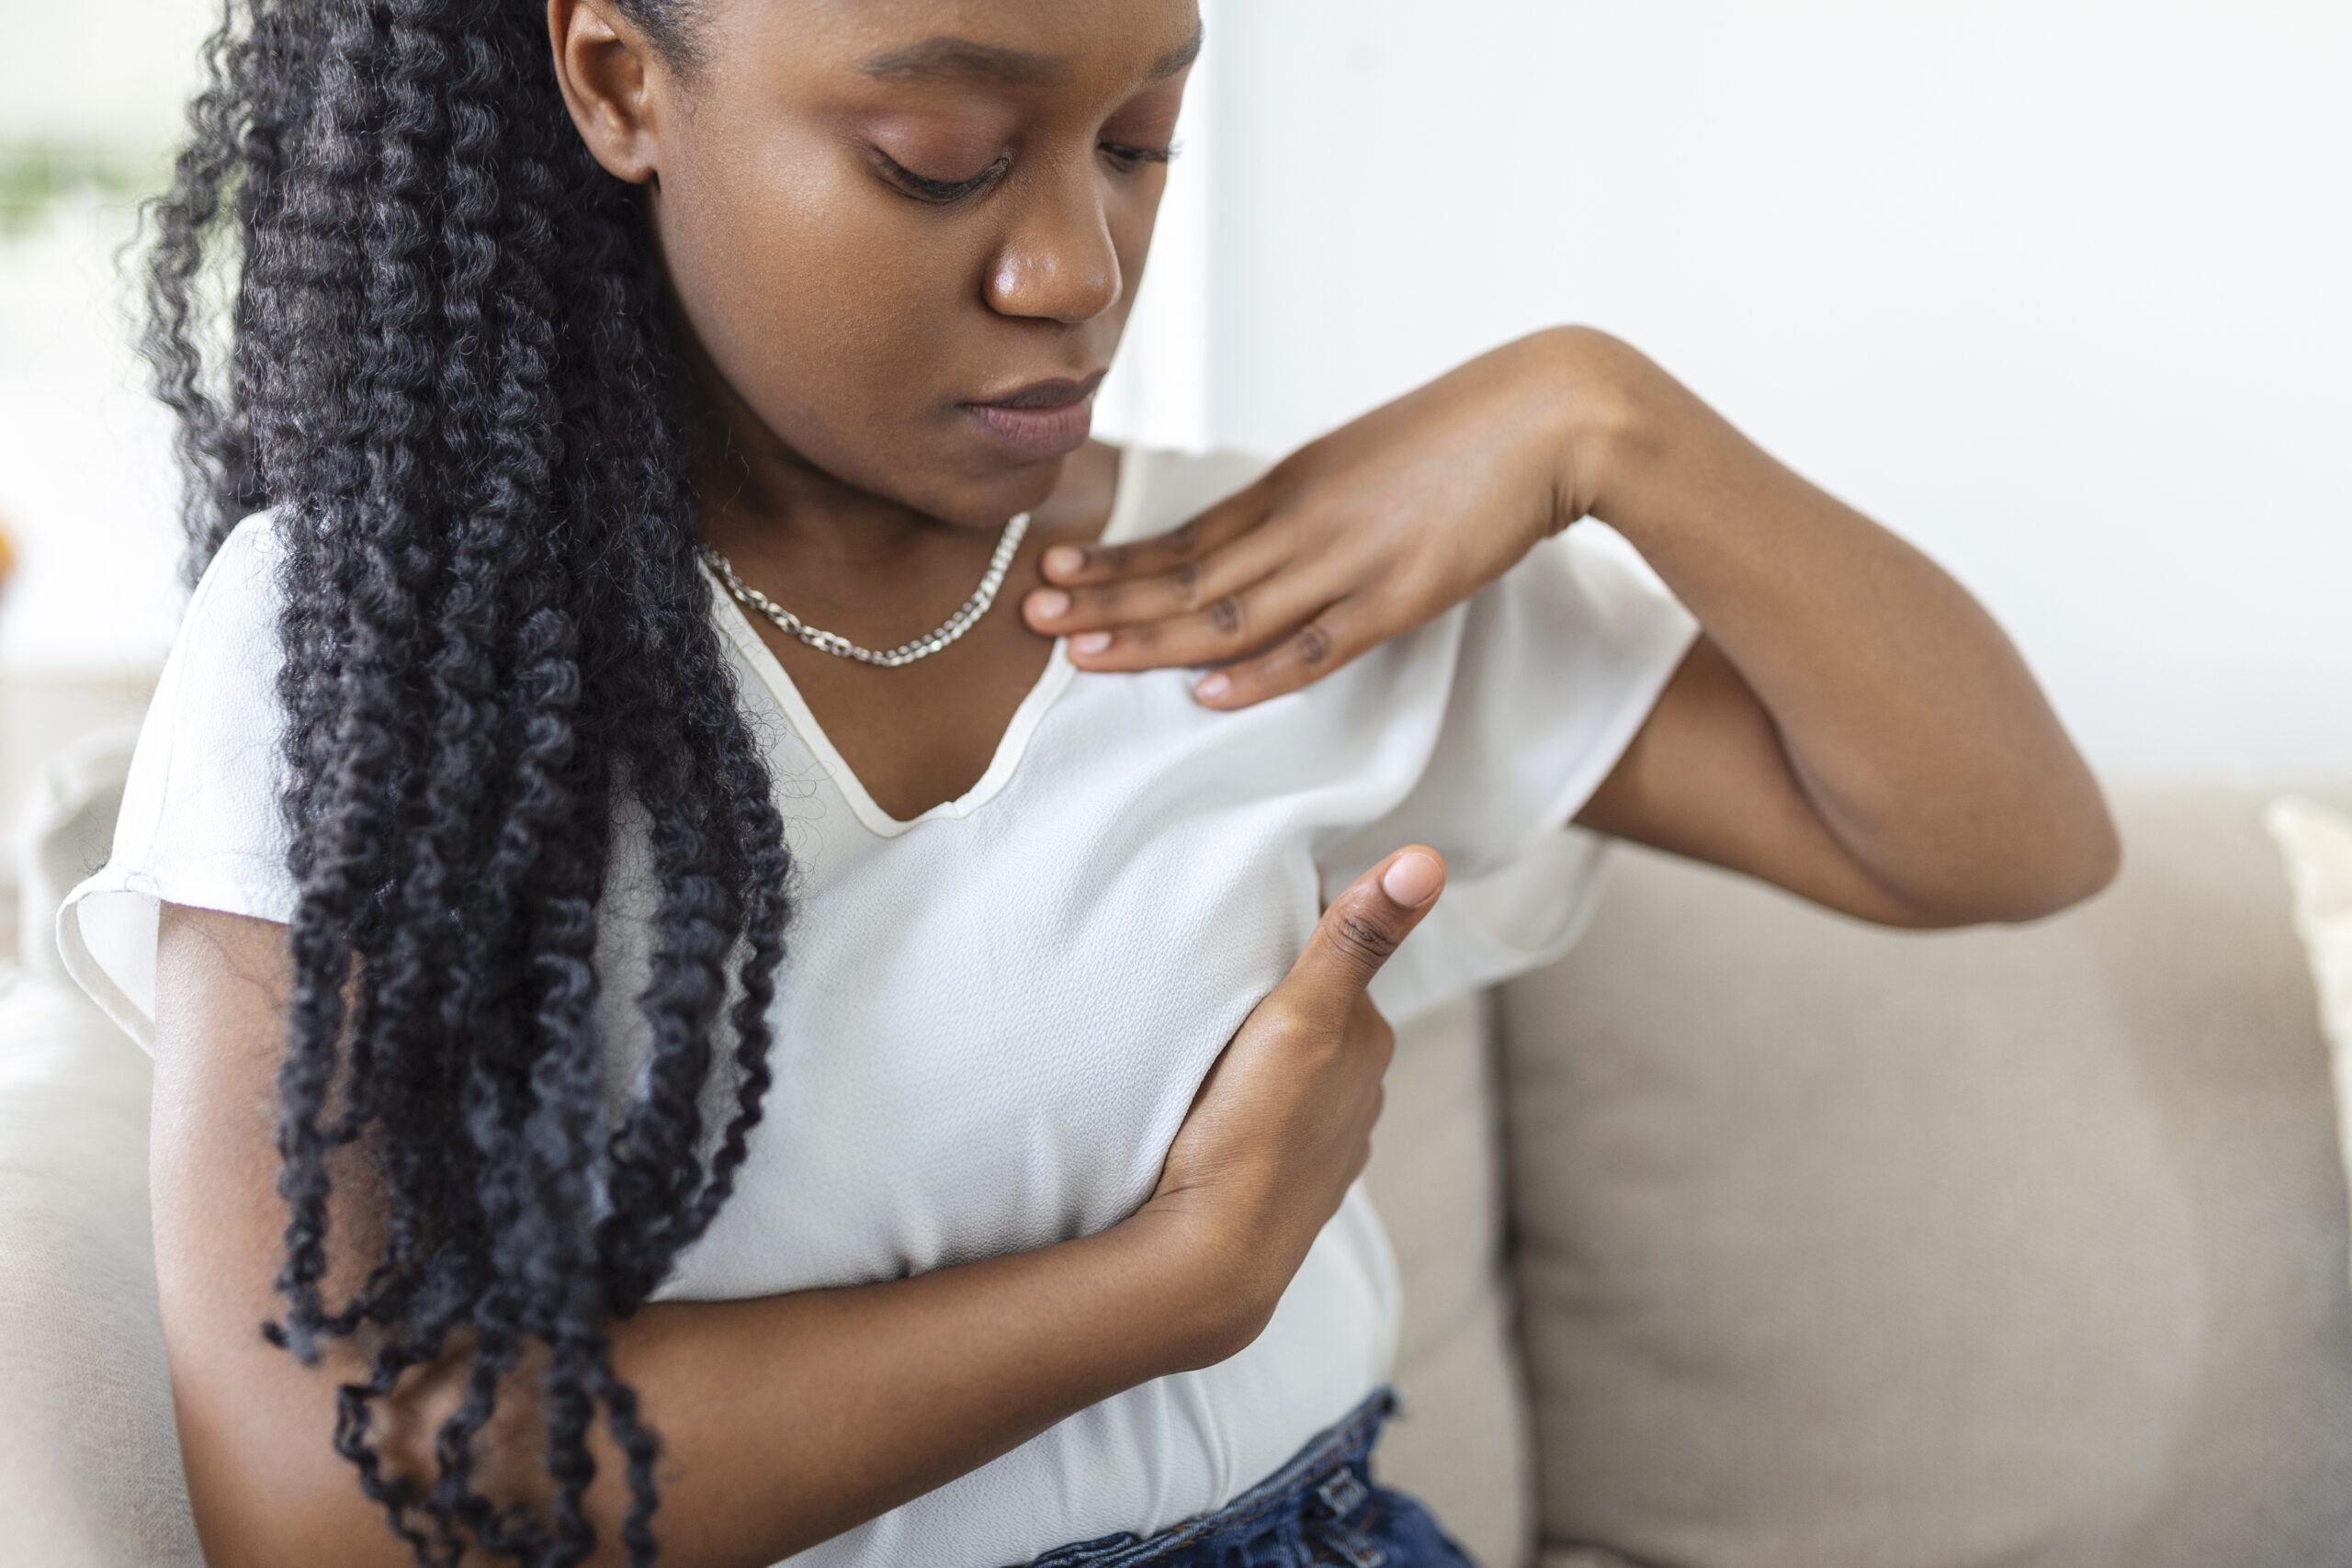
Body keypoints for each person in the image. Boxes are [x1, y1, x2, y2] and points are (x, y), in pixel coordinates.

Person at [60, 1, 2120, 1565]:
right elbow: (321, 1494)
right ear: (615, 82)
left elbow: (2000, 834)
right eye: (940, 158)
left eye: (1141, 140)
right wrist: (1175, 1279)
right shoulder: (392, 640)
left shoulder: (1281, 578)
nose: (1073, 267)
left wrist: (1603, 415)